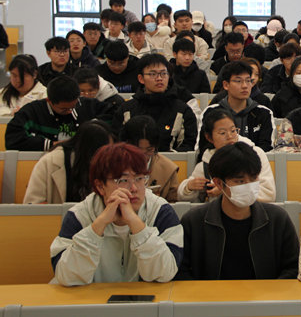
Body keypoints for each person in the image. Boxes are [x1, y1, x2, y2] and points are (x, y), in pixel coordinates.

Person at [50, 143, 183, 286]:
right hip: (93, 297)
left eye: (140, 179)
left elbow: (164, 273)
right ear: (100, 186)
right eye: (123, 180)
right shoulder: (80, 215)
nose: (134, 188)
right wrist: (98, 225)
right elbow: (67, 277)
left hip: (145, 297)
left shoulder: (160, 211)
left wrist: (136, 224)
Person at [176, 142, 296, 280]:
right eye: (240, 182)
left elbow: (293, 268)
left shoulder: (278, 219)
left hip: (265, 293)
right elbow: (180, 270)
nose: (249, 186)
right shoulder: (194, 221)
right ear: (219, 183)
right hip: (210, 294)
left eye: (254, 178)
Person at [178, 110, 276, 203]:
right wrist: (188, 188)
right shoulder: (207, 163)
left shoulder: (255, 154)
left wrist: (226, 191)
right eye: (222, 133)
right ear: (209, 137)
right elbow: (190, 200)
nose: (230, 136)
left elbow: (268, 194)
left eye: (233, 131)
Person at [113, 54, 198, 152]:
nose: (159, 78)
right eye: (152, 74)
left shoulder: (182, 110)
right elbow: (117, 144)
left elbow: (189, 146)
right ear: (141, 78)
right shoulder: (126, 109)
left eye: (163, 73)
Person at [5, 76, 114, 151]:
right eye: (64, 109)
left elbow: (113, 114)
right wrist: (53, 144)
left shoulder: (88, 105)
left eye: (74, 106)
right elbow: (13, 140)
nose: (70, 111)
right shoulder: (31, 111)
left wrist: (93, 127)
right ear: (49, 101)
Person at [23, 121, 116, 204]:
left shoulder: (111, 165)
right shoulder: (49, 163)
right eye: (106, 151)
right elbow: (33, 206)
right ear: (90, 151)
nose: (109, 156)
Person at [200, 61, 275, 154]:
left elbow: (266, 150)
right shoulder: (211, 112)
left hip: (254, 162)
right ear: (226, 85)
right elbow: (204, 148)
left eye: (248, 81)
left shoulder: (264, 113)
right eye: (238, 81)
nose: (245, 86)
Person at [119, 115, 179, 202]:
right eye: (137, 149)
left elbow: (173, 203)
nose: (142, 156)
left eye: (149, 150)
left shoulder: (168, 169)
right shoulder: (113, 164)